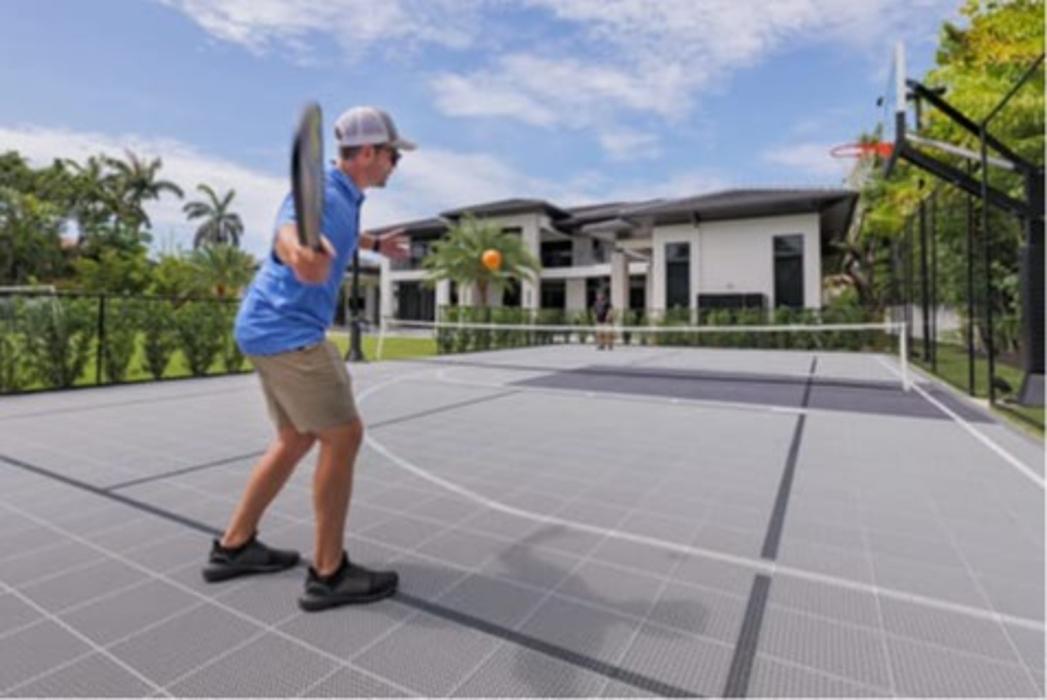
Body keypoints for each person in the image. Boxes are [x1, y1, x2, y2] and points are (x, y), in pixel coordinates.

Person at [202, 106, 413, 612]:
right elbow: (289, 231)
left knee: (296, 439)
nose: (395, 163)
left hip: (262, 328)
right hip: (288, 332)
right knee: (344, 435)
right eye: (391, 154)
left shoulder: (344, 194)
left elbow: (335, 231)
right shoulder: (319, 193)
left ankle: (234, 546)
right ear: (366, 154)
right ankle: (328, 572)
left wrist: (375, 243)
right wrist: (298, 255)